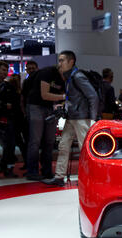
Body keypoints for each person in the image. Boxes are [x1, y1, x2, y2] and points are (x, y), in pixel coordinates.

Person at [42, 50, 98, 187]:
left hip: (82, 118)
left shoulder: (77, 76)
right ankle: (59, 177)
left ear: (71, 62)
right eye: (59, 60)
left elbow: (93, 96)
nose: (59, 63)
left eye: (62, 60)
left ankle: (89, 178)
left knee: (85, 150)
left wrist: (92, 118)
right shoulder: (69, 78)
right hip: (72, 117)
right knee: (63, 146)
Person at [0, 74, 25, 177]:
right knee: (10, 145)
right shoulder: (8, 88)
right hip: (10, 121)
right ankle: (7, 168)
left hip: (15, 121)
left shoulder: (14, 89)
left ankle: (4, 166)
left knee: (11, 145)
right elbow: (1, 103)